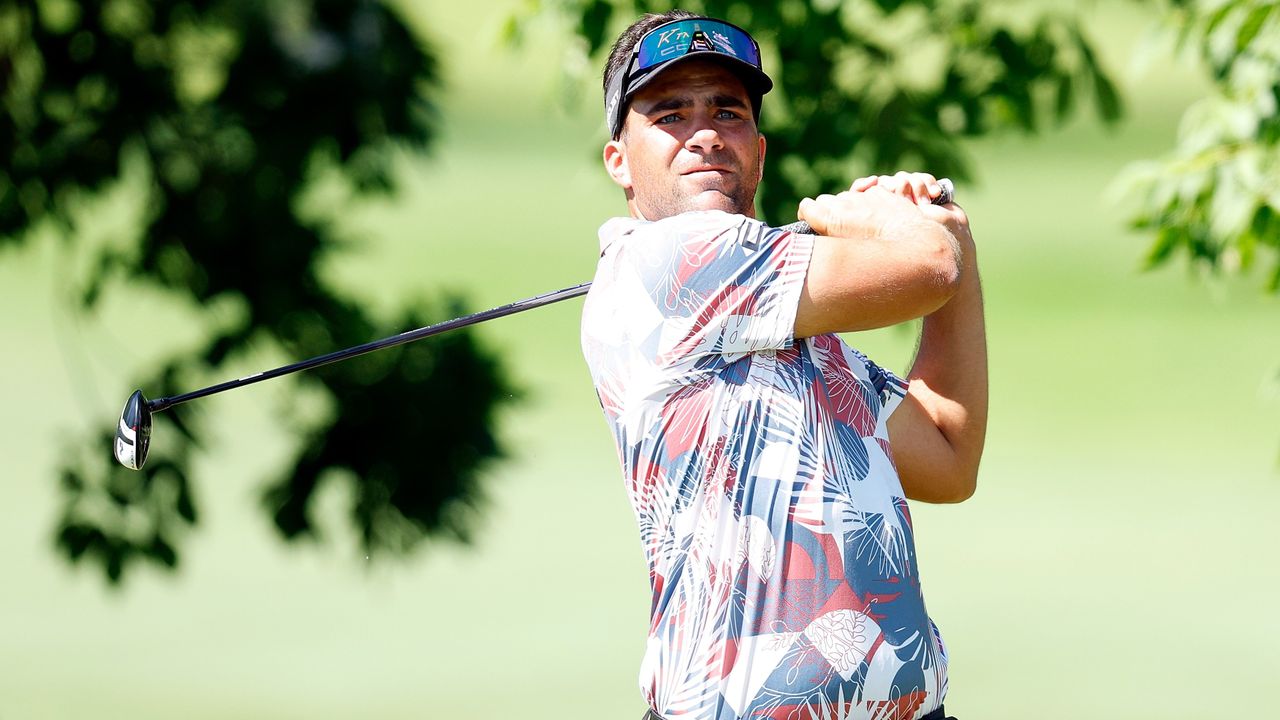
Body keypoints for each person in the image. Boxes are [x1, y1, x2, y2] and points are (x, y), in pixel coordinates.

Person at [580, 10, 987, 720]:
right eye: (670, 113)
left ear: (758, 151)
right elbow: (924, 268)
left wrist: (956, 239)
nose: (704, 131)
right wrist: (864, 216)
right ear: (620, 161)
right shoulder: (667, 261)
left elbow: (948, 456)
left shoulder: (797, 326)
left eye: (727, 111)